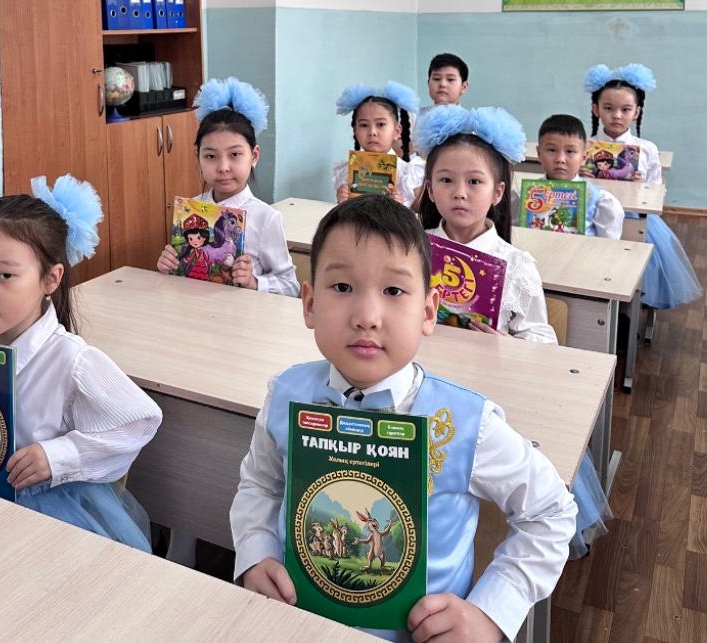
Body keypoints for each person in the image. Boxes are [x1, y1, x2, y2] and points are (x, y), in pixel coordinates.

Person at [230, 194, 577, 642]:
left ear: (428, 311)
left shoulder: (465, 423)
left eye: (393, 291)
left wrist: (491, 611)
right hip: (293, 626)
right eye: (342, 287)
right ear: (309, 304)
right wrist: (256, 551)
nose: (366, 317)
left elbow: (551, 511)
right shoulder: (286, 393)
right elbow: (261, 484)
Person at [0, 175, 161, 552]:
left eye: (5, 275)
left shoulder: (71, 359)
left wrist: (58, 456)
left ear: (50, 278)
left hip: (47, 507)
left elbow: (138, 420)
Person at [416, 104, 558, 343]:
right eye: (446, 180)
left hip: (487, 365)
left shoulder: (516, 265)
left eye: (474, 181)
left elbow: (543, 339)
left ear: (497, 192)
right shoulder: (412, 248)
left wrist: (504, 343)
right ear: (430, 189)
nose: (459, 193)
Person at [156, 77, 299, 297]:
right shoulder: (191, 209)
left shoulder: (266, 218)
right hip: (193, 311)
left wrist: (254, 282)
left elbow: (291, 286)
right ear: (198, 157)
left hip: (241, 315)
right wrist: (168, 267)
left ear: (254, 156)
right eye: (211, 156)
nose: (223, 167)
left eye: (235, 154)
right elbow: (183, 276)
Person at [584, 63, 701, 309]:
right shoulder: (584, 146)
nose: (617, 115)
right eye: (608, 108)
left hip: (633, 215)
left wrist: (640, 186)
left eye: (625, 109)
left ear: (637, 112)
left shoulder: (646, 149)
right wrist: (581, 175)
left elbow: (656, 189)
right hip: (592, 213)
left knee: (638, 260)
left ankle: (634, 305)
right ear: (596, 109)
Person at [332, 81, 424, 209]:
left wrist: (399, 206)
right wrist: (342, 200)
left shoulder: (407, 173)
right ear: (355, 131)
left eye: (380, 124)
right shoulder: (347, 170)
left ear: (397, 131)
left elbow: (418, 215)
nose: (372, 132)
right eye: (364, 125)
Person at [534, 113, 624, 239]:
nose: (560, 159)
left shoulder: (600, 200)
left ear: (583, 157)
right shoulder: (525, 195)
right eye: (551, 150)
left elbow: (608, 246)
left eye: (570, 151)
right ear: (539, 153)